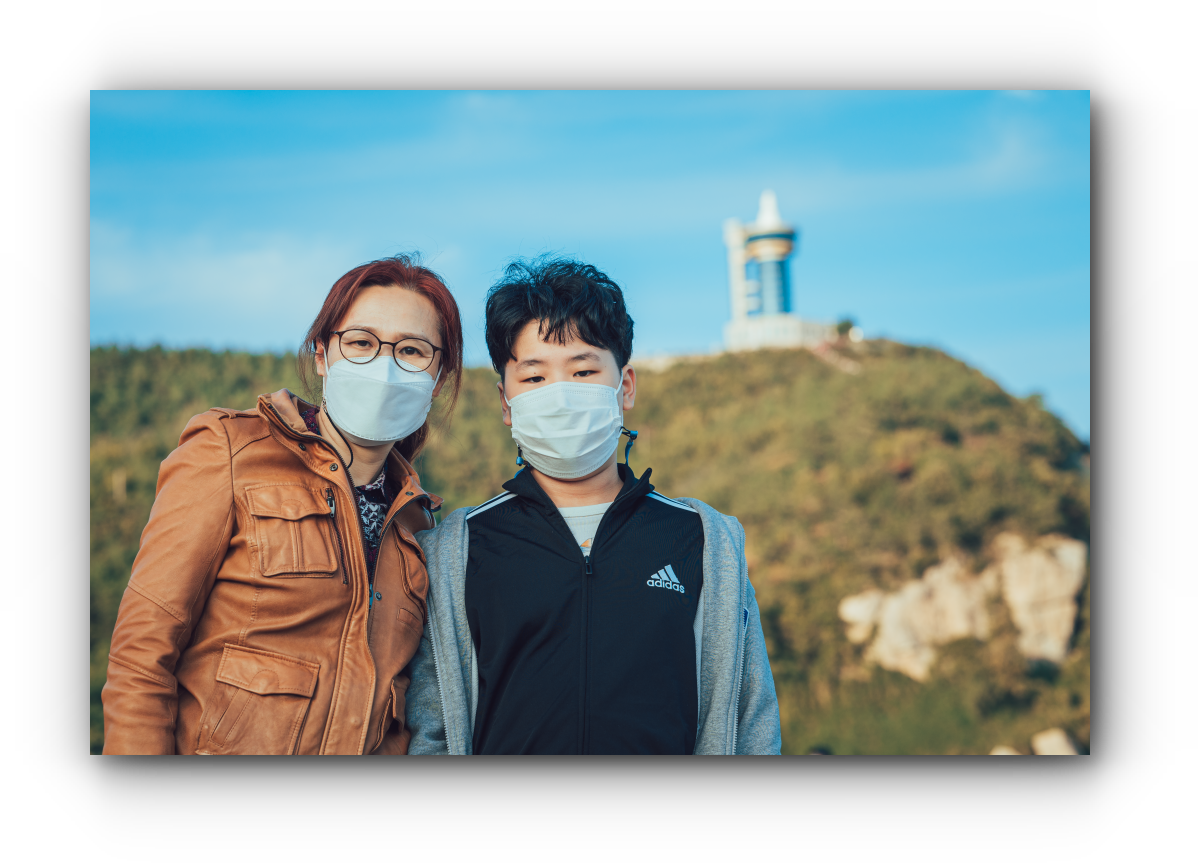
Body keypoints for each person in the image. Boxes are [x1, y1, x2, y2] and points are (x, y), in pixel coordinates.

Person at [407, 258, 780, 754]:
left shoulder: (705, 540)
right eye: (534, 378)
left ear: (625, 386)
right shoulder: (458, 550)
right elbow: (432, 731)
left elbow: (751, 723)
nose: (561, 396)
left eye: (583, 371)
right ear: (505, 402)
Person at [102, 255, 463, 754]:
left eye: (412, 350)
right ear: (322, 355)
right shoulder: (230, 452)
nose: (384, 367)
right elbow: (141, 658)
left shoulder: (418, 522)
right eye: (361, 342)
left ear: (438, 378)